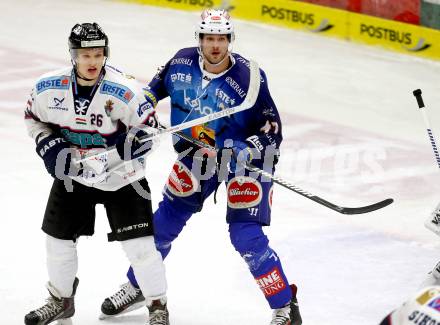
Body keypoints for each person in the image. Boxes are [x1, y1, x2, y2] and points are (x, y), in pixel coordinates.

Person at [100, 9, 302, 325]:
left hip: (243, 162)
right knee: (164, 223)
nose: (215, 45)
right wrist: (140, 117)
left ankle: (285, 308)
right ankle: (140, 286)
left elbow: (272, 128)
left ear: (230, 40)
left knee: (245, 236)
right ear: (200, 39)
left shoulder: (249, 77)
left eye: (221, 38)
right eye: (209, 38)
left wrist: (249, 148)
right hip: (199, 155)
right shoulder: (181, 62)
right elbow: (150, 93)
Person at [23, 22, 169, 325]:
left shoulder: (127, 91)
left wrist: (132, 144)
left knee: (140, 248)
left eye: (99, 54)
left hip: (123, 178)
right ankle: (61, 299)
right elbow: (33, 118)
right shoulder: (48, 88)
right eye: (85, 54)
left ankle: (157, 305)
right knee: (57, 240)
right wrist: (50, 146)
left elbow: (151, 132)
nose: (93, 61)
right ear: (73, 54)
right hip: (74, 176)